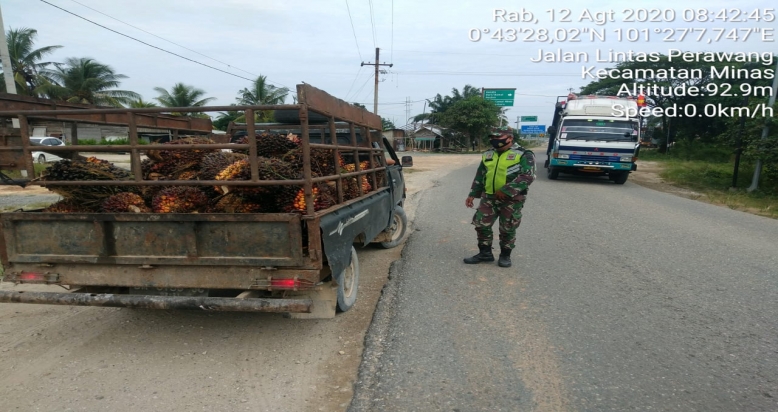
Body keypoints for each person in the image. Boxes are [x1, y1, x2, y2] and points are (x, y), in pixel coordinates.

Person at [464, 126, 535, 267]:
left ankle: (505, 255)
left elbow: (527, 176)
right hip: (488, 197)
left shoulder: (523, 154)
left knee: (507, 228)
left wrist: (507, 190)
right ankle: (485, 253)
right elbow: (480, 175)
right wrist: (472, 194)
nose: (494, 140)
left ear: (510, 138)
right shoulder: (488, 154)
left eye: (498, 137)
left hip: (512, 199)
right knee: (481, 224)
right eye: (492, 137)